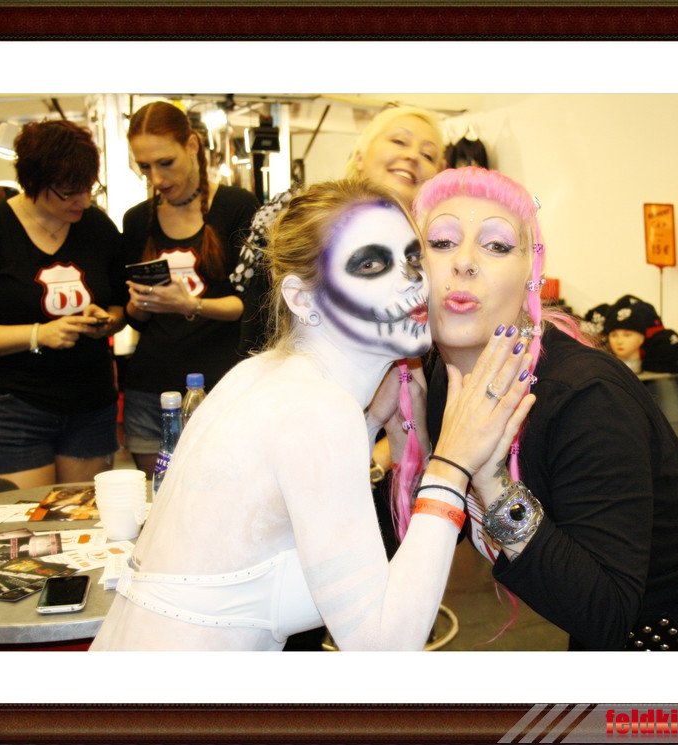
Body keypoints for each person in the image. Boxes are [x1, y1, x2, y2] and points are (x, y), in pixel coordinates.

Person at [90, 179, 534, 651]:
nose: (413, 280)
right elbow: (383, 647)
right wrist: (452, 465)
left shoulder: (261, 376)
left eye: (412, 258)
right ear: (301, 299)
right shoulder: (316, 410)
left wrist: (369, 425)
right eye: (371, 264)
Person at [413, 167, 678, 650]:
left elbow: (605, 611)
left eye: (497, 245)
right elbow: (423, 540)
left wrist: (492, 482)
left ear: (530, 278)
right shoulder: (442, 381)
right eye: (441, 242)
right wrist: (397, 435)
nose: (464, 262)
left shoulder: (586, 397)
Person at [0, 120, 127, 489]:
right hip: (13, 406)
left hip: (90, 403)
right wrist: (38, 334)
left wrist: (105, 321)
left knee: (84, 517)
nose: (83, 201)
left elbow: (120, 305)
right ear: (34, 181)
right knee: (24, 518)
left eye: (89, 188)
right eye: (69, 192)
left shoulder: (96, 227)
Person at [232, 104, 445, 356]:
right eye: (399, 141)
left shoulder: (438, 248)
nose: (412, 156)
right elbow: (256, 337)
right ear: (359, 156)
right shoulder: (302, 220)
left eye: (428, 155)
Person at [120, 101, 260, 478]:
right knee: (157, 498)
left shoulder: (237, 207)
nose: (157, 178)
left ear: (192, 146)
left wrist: (192, 304)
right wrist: (140, 305)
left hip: (221, 384)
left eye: (165, 162)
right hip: (151, 388)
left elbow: (250, 304)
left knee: (221, 493)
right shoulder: (136, 220)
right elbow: (133, 319)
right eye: (144, 167)